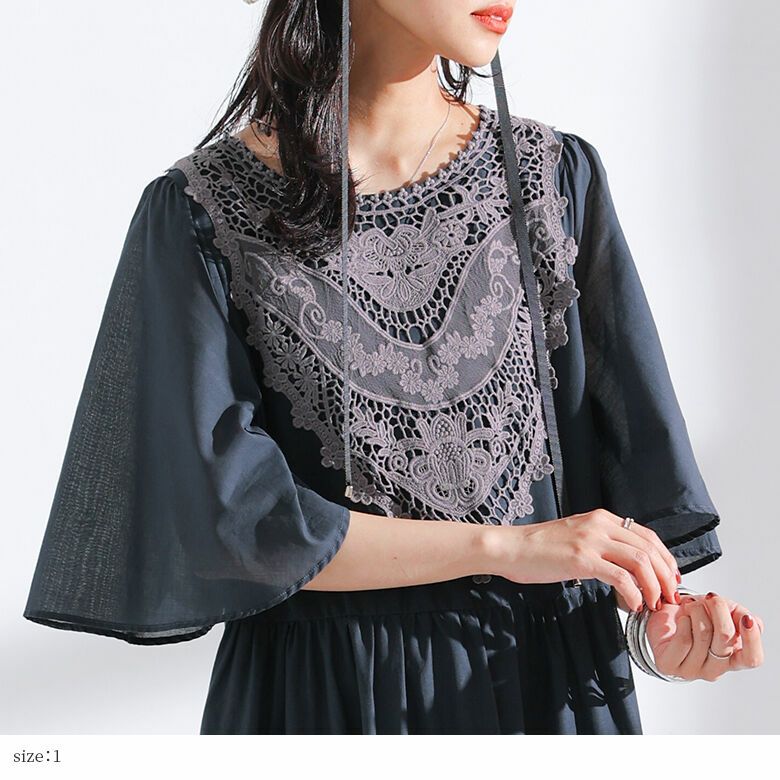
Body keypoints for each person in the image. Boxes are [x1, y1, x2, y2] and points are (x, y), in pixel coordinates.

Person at [23, 0, 765, 735]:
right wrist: (506, 548)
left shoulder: (555, 182)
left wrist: (664, 632)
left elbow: (617, 514)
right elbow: (234, 524)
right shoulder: (203, 213)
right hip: (326, 704)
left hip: (548, 696)